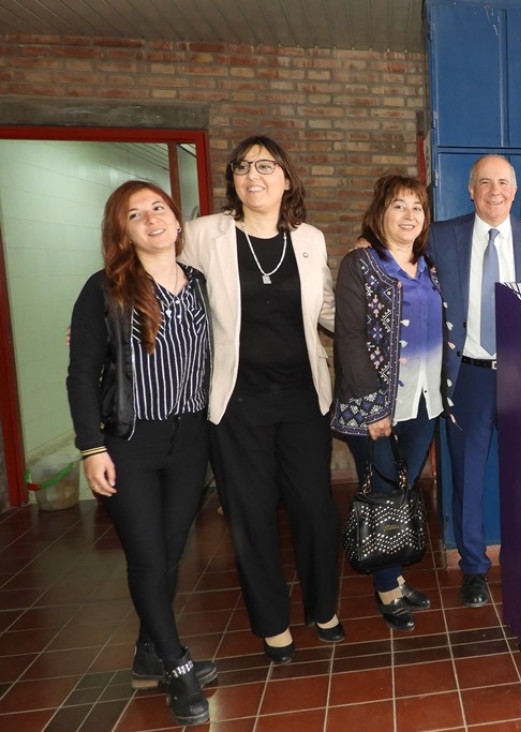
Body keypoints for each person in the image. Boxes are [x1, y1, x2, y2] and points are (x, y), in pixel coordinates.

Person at [181, 136, 342, 663]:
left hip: (303, 398)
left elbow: (331, 313)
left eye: (266, 166)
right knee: (250, 516)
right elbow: (155, 273)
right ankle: (272, 622)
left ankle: (324, 607)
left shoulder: (310, 240)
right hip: (238, 402)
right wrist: (106, 316)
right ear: (234, 179)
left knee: (315, 510)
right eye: (244, 167)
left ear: (287, 178)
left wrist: (391, 312)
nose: (254, 175)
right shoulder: (206, 233)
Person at [67, 181, 216, 725]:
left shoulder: (197, 284)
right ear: (123, 232)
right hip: (129, 442)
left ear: (177, 220)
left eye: (159, 208)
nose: (152, 219)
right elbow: (81, 374)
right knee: (149, 557)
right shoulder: (104, 289)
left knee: (170, 554)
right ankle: (175, 665)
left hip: (189, 440)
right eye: (136, 214)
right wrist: (91, 447)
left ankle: (147, 652)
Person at [427, 154, 521, 607]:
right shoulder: (441, 237)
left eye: (503, 182)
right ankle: (473, 568)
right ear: (470, 190)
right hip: (468, 375)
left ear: (515, 189)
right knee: (467, 474)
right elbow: (403, 265)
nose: (494, 190)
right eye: (484, 182)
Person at [332, 175, 442, 631]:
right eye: (399, 206)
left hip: (424, 399)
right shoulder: (360, 263)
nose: (409, 215)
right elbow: (349, 338)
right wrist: (375, 407)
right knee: (381, 492)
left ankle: (393, 574)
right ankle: (386, 587)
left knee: (402, 487)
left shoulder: (430, 268)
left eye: (416, 207)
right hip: (376, 408)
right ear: (380, 213)